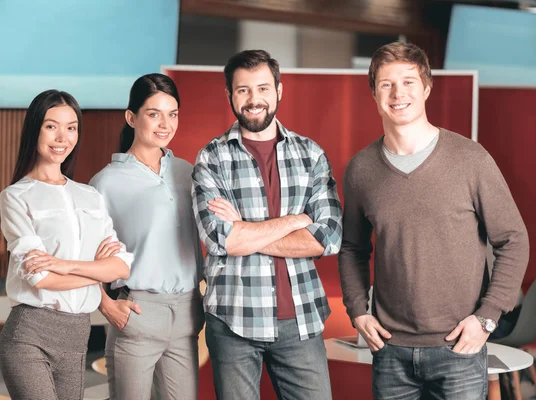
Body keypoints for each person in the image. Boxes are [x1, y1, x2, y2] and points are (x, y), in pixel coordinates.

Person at [338, 42, 530, 399]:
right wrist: (357, 311)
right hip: (389, 351)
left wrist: (487, 318)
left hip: (459, 347)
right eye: (386, 84)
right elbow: (352, 248)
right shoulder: (361, 169)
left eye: (409, 81)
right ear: (374, 93)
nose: (398, 93)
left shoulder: (470, 159)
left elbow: (514, 240)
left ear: (426, 87)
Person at [191, 50, 342, 400]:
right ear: (229, 95)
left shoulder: (311, 155)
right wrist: (294, 221)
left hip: (301, 320)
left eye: (262, 88)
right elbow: (219, 239)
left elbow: (328, 237)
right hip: (233, 322)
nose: (253, 99)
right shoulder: (211, 158)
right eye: (243, 90)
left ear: (279, 90)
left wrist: (245, 228)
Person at [0, 89, 133, 400]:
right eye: (51, 126)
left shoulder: (90, 196)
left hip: (77, 338)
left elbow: (121, 265)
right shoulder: (16, 197)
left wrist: (67, 266)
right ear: (35, 129)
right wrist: (98, 271)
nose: (62, 137)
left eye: (71, 127)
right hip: (30, 335)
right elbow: (42, 278)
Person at [89, 73, 204, 400]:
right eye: (154, 114)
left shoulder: (188, 172)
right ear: (131, 117)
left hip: (186, 316)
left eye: (173, 114)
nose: (165, 124)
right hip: (137, 313)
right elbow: (85, 257)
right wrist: (106, 306)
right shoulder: (105, 183)